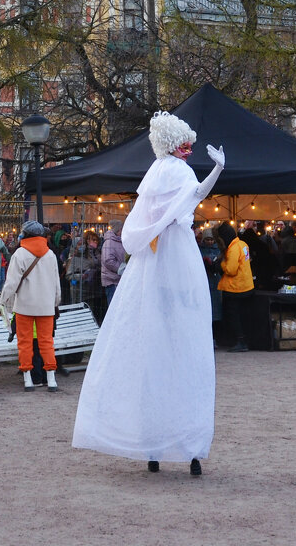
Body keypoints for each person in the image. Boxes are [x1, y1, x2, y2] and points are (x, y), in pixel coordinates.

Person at [73, 112, 225, 477]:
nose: (188, 152)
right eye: (185, 145)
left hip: (152, 262)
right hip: (174, 257)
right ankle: (185, 444)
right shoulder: (177, 171)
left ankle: (155, 444)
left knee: (153, 348)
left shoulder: (156, 171)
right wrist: (218, 170)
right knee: (185, 348)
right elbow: (195, 195)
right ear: (177, 144)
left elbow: (141, 223)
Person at [0, 220, 63, 391]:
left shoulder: (20, 253)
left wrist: (2, 300)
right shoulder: (50, 254)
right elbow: (57, 284)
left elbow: (11, 282)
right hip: (46, 306)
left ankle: (28, 379)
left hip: (25, 306)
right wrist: (55, 302)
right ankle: (51, 379)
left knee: (25, 343)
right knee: (47, 342)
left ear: (25, 234)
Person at [218, 222, 253, 353]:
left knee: (233, 316)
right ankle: (244, 340)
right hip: (246, 285)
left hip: (235, 287)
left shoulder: (232, 249)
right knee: (242, 315)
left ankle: (240, 341)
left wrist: (221, 264)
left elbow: (231, 270)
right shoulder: (243, 245)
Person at [65, 229, 104, 319]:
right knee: (80, 313)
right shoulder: (73, 259)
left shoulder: (90, 256)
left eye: (83, 244)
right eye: (79, 244)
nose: (82, 246)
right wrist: (82, 276)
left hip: (91, 291)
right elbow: (69, 275)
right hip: (79, 291)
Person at [198, 228, 223, 341]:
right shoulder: (199, 250)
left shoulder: (218, 250)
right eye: (207, 239)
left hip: (215, 282)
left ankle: (215, 337)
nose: (210, 242)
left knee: (216, 309)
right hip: (204, 281)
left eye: (211, 239)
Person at [100, 220, 126, 311]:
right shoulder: (110, 242)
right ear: (119, 230)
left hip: (117, 280)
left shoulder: (118, 241)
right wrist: (120, 268)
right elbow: (108, 260)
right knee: (114, 308)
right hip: (112, 280)